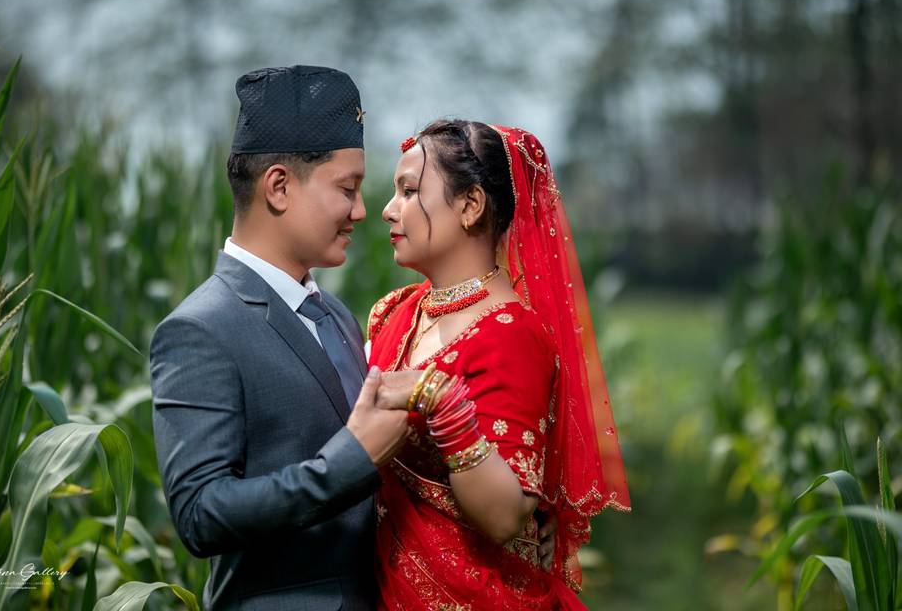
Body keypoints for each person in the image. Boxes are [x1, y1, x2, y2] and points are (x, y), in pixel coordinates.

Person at [150, 65, 415, 610]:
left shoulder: (337, 315)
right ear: (278, 186)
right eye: (348, 189)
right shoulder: (200, 328)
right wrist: (350, 462)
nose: (362, 212)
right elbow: (201, 514)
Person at [366, 120, 631, 609]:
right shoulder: (396, 314)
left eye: (408, 191)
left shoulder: (510, 334)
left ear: (470, 205)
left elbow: (505, 516)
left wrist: (439, 401)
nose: (387, 210)